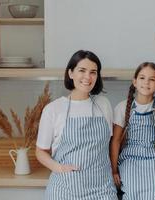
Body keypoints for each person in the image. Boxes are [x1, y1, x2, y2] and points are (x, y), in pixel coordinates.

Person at [36, 50, 117, 200]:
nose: (88, 77)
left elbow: (110, 143)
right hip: (65, 189)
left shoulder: (103, 104)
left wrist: (115, 172)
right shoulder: (54, 109)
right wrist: (58, 168)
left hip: (102, 190)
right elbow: (40, 151)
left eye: (93, 72)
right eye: (82, 70)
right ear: (71, 73)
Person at [110, 62, 155, 199]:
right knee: (132, 192)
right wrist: (114, 170)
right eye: (142, 78)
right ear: (134, 82)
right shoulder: (123, 107)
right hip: (129, 159)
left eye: (152, 79)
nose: (146, 83)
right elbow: (116, 141)